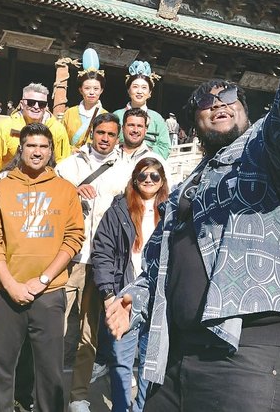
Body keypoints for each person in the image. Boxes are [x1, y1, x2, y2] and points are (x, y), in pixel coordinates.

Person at [106, 0, 280, 412]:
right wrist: (134, 298)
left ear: (246, 111)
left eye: (229, 96)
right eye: (205, 102)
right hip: (178, 355)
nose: (218, 102)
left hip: (257, 345)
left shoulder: (266, 151)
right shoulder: (182, 190)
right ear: (194, 124)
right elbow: (157, 262)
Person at [0, 123, 85, 412]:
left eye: (43, 146)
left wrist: (43, 279)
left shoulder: (66, 190)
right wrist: (9, 284)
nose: (37, 152)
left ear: (51, 151)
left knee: (50, 370)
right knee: (0, 368)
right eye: (31, 146)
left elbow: (74, 237)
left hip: (49, 292)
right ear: (21, 149)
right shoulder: (0, 189)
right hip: (6, 291)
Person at [55, 113, 124, 412]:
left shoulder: (125, 170)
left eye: (111, 134)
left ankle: (78, 396)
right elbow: (49, 195)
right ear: (92, 133)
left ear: (117, 138)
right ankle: (47, 389)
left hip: (100, 263)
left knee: (89, 334)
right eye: (100, 132)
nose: (105, 138)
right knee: (54, 330)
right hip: (67, 258)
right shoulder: (69, 165)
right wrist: (71, 191)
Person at [91, 157, 169, 412]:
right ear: (135, 180)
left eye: (154, 176)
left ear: (162, 181)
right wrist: (108, 295)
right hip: (123, 295)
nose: (148, 180)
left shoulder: (171, 211)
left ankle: (141, 408)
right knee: (121, 362)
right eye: (143, 175)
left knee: (150, 363)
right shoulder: (119, 210)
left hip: (157, 298)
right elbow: (102, 252)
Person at [0, 83, 70, 169]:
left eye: (41, 104)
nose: (36, 107)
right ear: (22, 104)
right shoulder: (3, 127)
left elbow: (62, 163)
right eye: (31, 103)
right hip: (10, 175)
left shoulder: (58, 129)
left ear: (46, 107)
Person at [113, 61, 171, 159]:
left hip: (148, 163)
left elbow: (165, 148)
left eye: (144, 88)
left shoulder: (157, 118)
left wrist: (143, 153)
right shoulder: (117, 115)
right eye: (135, 87)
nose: (139, 91)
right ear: (128, 90)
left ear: (150, 93)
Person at [63, 49, 107, 150]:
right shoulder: (69, 113)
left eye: (96, 89)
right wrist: (71, 150)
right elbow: (61, 140)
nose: (91, 92)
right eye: (87, 88)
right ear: (80, 90)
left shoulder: (106, 116)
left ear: (101, 90)